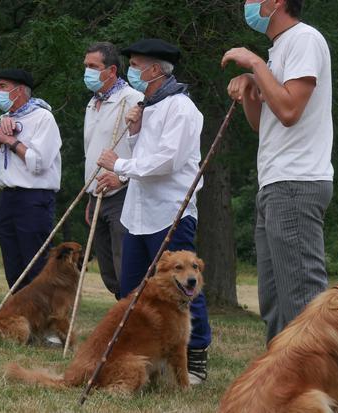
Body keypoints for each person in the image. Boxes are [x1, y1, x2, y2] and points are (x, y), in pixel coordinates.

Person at [97, 38, 212, 384]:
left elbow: (168, 160)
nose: (132, 70)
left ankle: (196, 358)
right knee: (133, 289)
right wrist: (133, 134)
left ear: (156, 70)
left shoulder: (182, 107)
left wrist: (120, 165)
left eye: (136, 64)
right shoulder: (150, 105)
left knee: (184, 287)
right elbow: (147, 153)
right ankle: (144, 355)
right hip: (139, 213)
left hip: (170, 211)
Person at [221, 0, 334, 343]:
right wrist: (252, 88)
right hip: (275, 182)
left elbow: (288, 110)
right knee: (275, 302)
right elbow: (263, 124)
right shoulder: (279, 50)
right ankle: (279, 380)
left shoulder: (304, 39)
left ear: (277, 3)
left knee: (301, 298)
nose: (248, 4)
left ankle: (314, 385)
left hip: (296, 182)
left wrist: (253, 63)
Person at [0, 68, 62, 293]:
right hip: (8, 196)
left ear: (19, 91)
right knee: (13, 262)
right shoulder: (4, 120)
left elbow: (38, 163)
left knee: (35, 262)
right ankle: (18, 313)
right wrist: (0, 136)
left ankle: (42, 315)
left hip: (34, 198)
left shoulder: (43, 117)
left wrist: (11, 141)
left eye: (3, 87)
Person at [82, 42, 144, 300]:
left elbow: (143, 149)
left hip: (123, 193)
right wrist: (89, 194)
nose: (87, 72)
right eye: (86, 66)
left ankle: (130, 316)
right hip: (96, 193)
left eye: (93, 67)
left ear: (111, 70)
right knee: (106, 266)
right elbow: (91, 150)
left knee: (124, 263)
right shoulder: (91, 103)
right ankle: (122, 310)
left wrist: (121, 177)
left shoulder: (132, 99)